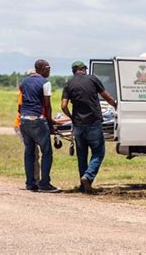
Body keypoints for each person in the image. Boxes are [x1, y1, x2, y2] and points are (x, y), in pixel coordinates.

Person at [61, 60, 116, 193]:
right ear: (82, 69)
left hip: (78, 125)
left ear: (74, 70)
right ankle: (88, 176)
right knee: (98, 152)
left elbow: (63, 105)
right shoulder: (92, 79)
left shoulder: (69, 83)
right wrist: (115, 105)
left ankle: (83, 185)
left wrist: (72, 117)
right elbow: (106, 96)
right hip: (93, 123)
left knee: (82, 155)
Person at [19, 59, 60, 193]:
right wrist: (50, 124)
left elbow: (23, 102)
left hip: (24, 120)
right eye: (48, 68)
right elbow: (47, 106)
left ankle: (30, 183)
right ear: (41, 68)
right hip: (37, 120)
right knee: (46, 152)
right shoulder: (45, 82)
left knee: (29, 152)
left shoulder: (24, 82)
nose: (49, 71)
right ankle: (45, 183)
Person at [14, 68, 41, 183]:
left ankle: (34, 179)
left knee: (34, 153)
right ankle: (33, 180)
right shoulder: (24, 91)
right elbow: (20, 108)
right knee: (32, 152)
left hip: (26, 122)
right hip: (23, 123)